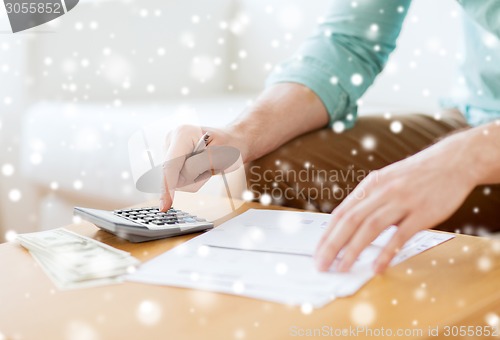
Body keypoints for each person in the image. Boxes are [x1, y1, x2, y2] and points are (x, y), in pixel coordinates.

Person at [160, 0, 500, 274]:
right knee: (282, 167)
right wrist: (241, 134)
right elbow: (348, 42)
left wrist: (466, 157)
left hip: (481, 144)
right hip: (478, 115)